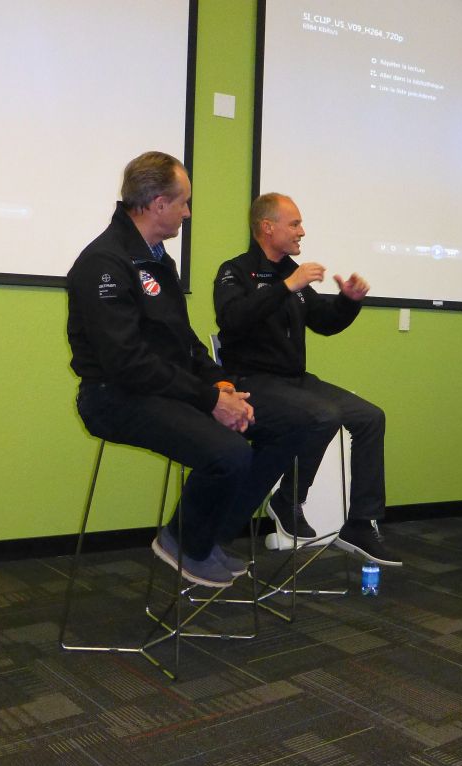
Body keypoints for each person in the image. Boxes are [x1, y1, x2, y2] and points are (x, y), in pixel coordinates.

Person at [66, 152, 303, 589]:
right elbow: (128, 364)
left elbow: (183, 340)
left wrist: (219, 382)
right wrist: (210, 400)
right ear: (158, 204)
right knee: (229, 452)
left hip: (162, 389)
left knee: (277, 428)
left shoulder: (158, 259)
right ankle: (183, 542)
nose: (187, 212)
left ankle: (206, 538)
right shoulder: (105, 263)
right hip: (113, 396)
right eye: (184, 202)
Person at [213, 193, 402, 567]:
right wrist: (286, 287)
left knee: (370, 416)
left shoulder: (290, 274)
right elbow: (232, 319)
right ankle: (289, 500)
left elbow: (326, 324)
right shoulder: (235, 271)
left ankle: (362, 522)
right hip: (252, 381)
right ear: (268, 228)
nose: (302, 231)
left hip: (295, 380)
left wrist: (348, 301)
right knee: (323, 414)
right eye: (295, 223)